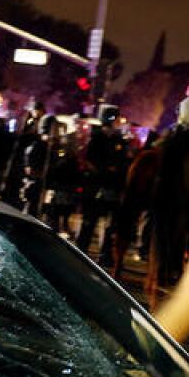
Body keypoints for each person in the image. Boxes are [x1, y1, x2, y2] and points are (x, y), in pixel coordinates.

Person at [76, 104, 129, 264]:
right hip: (96, 186)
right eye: (117, 117)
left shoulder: (119, 141)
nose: (120, 121)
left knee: (109, 224)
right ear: (111, 119)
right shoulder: (96, 139)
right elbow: (90, 162)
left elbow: (122, 164)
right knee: (89, 221)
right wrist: (105, 170)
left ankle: (105, 255)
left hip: (111, 187)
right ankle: (81, 250)